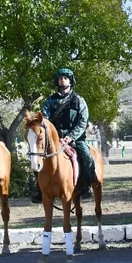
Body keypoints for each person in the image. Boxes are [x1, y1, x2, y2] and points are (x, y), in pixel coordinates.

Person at [32, 68, 95, 202]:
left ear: (70, 81)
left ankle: (85, 186)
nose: (62, 80)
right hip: (54, 140)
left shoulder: (79, 100)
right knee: (37, 157)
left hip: (75, 138)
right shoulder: (50, 101)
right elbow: (44, 120)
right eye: (60, 78)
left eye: (65, 78)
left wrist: (71, 136)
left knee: (87, 156)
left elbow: (83, 121)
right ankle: (39, 189)